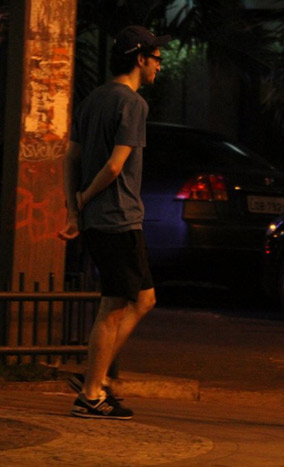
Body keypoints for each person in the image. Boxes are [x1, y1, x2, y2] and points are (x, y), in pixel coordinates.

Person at [58, 25, 170, 420]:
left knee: (144, 298)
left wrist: (75, 210)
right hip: (118, 217)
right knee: (113, 306)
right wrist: (85, 199)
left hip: (103, 219)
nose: (160, 64)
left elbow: (70, 157)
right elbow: (116, 164)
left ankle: (96, 373)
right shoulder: (133, 104)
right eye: (156, 58)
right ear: (140, 59)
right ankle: (91, 392)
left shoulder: (92, 100)